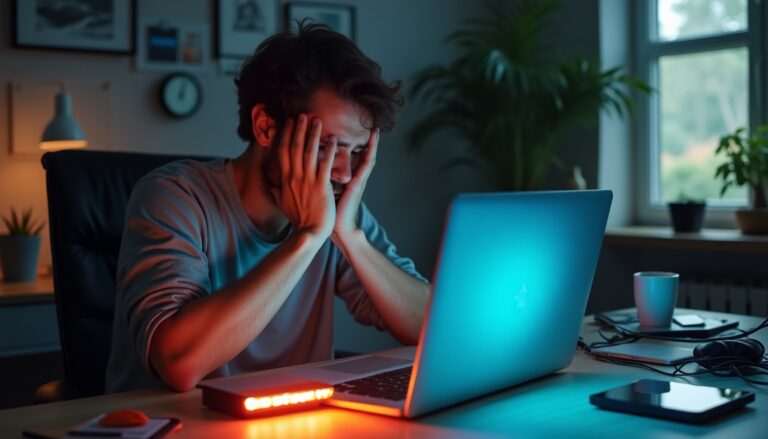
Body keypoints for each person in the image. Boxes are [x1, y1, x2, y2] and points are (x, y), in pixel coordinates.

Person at [105, 23, 430, 393]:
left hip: (292, 423)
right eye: (326, 147)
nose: (344, 172)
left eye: (357, 152)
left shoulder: (338, 209)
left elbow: (431, 328)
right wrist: (307, 237)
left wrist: (350, 237)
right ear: (265, 127)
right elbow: (180, 365)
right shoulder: (174, 196)